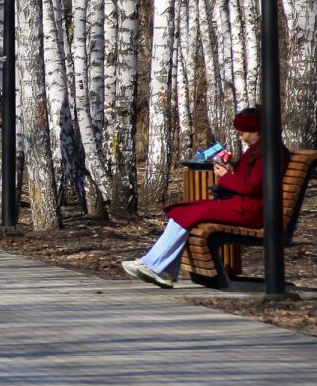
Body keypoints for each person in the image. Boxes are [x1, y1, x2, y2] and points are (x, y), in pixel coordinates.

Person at [122, 107, 288, 288]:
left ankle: (157, 266)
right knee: (184, 210)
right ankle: (158, 266)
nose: (241, 137)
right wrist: (231, 169)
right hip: (243, 205)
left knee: (187, 213)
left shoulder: (269, 153)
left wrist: (226, 175)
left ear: (257, 131)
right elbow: (248, 180)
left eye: (243, 133)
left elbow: (250, 186)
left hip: (251, 210)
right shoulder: (259, 150)